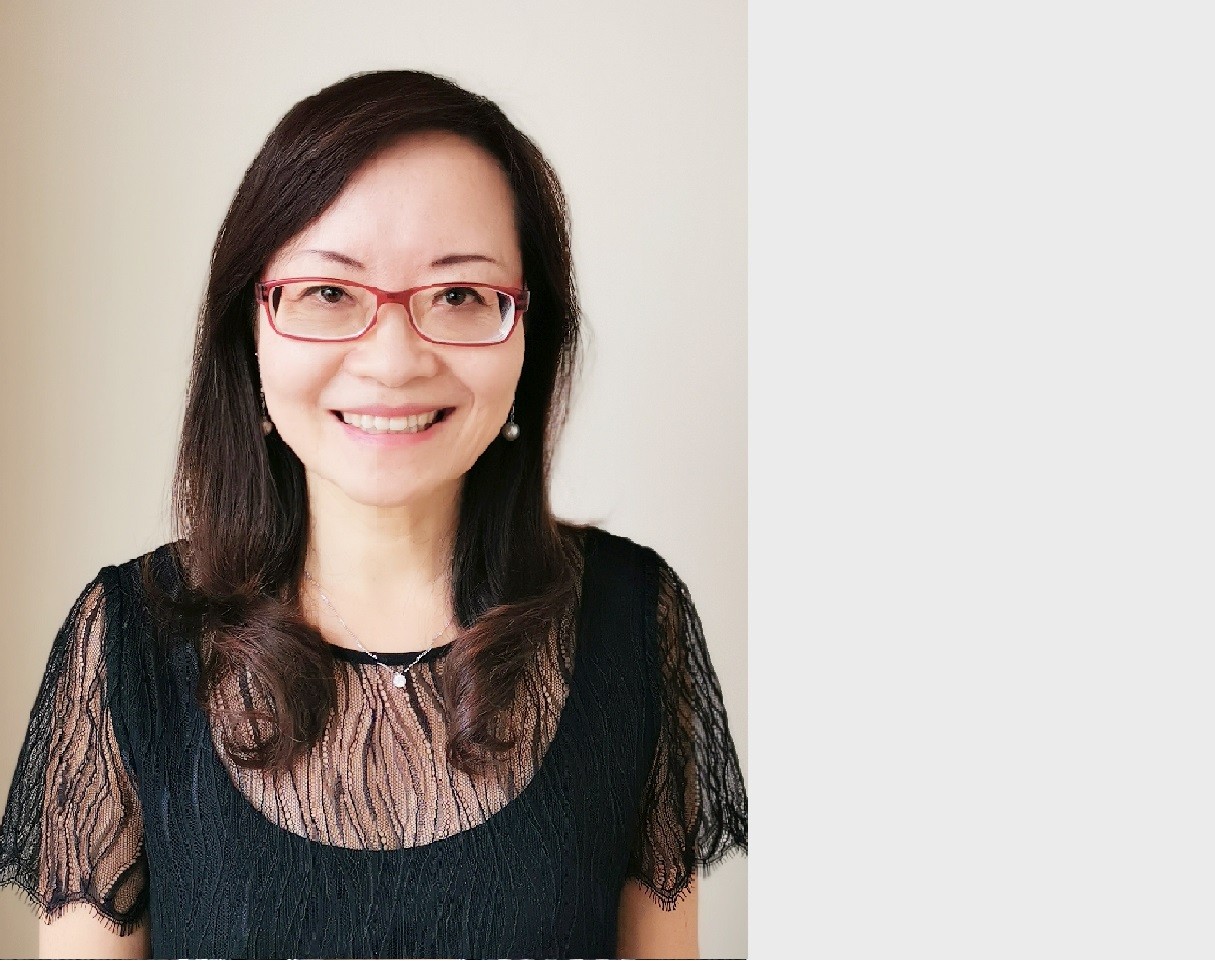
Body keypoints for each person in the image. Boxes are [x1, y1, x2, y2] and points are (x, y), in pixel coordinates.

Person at [0, 69, 746, 959]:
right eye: (330, 293)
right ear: (252, 328)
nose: (393, 361)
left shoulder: (635, 620)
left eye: (459, 296)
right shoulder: (127, 641)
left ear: (528, 336)